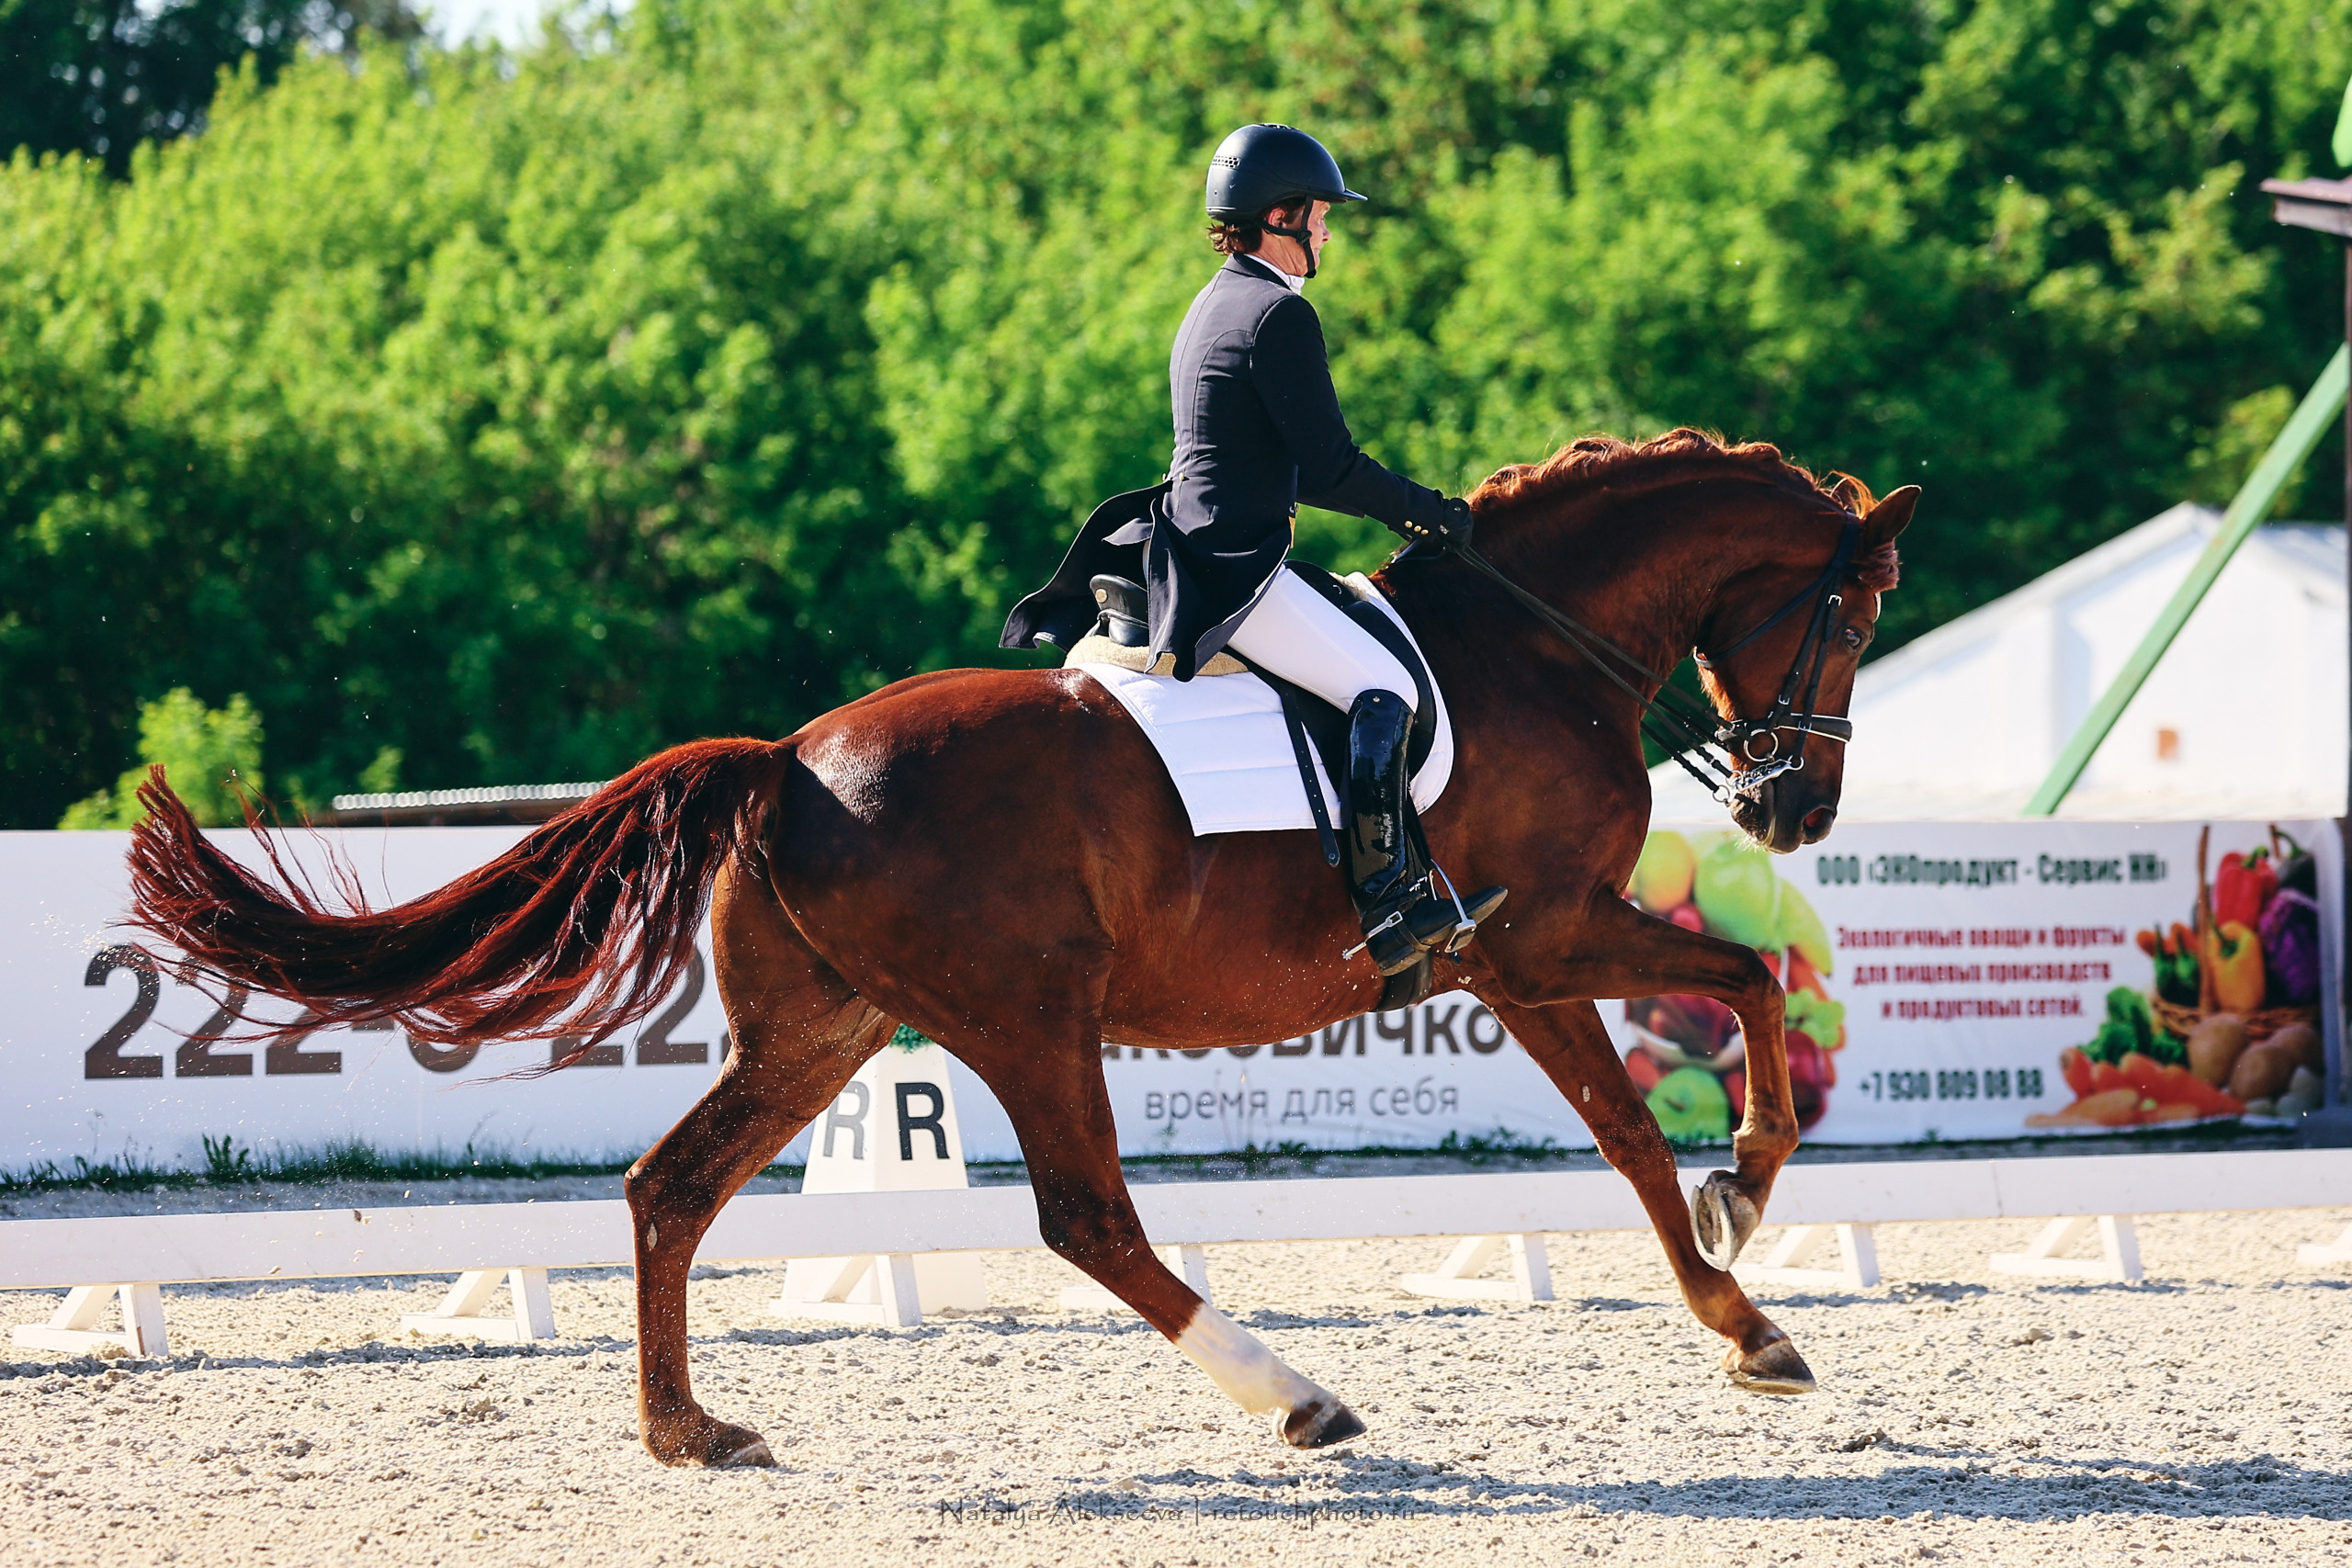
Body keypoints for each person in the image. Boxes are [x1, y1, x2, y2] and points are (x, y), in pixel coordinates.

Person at [1004, 124, 1503, 976]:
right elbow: (1331, 466)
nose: (1329, 232)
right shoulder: (1279, 313)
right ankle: (1390, 906)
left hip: (1201, 541)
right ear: (1281, 216)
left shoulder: (1216, 299)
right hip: (1234, 569)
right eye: (1320, 215)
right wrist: (1429, 516)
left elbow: (1282, 462)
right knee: (1385, 691)